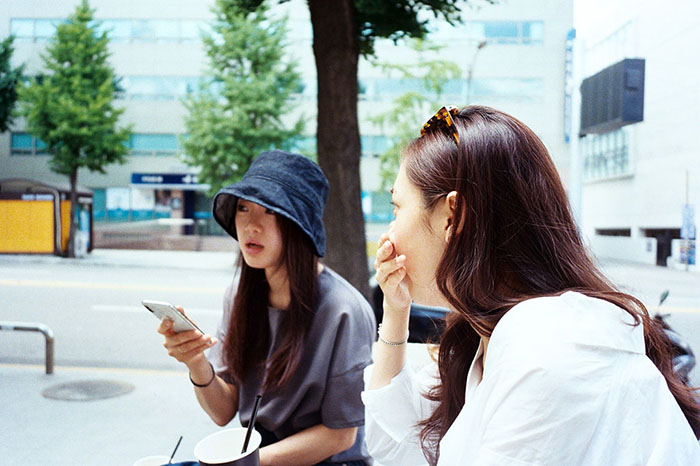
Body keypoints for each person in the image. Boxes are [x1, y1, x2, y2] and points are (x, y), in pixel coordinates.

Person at [363, 105, 700, 465]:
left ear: (453, 217)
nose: (390, 233)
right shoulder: (491, 334)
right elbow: (396, 444)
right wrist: (395, 310)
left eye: (396, 209)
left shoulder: (547, 351)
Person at [158, 150, 376, 466]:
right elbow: (223, 411)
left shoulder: (345, 310)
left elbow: (341, 436)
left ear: (299, 226)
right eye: (243, 208)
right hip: (256, 455)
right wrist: (195, 362)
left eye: (271, 211)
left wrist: (246, 462)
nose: (251, 225)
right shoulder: (239, 296)